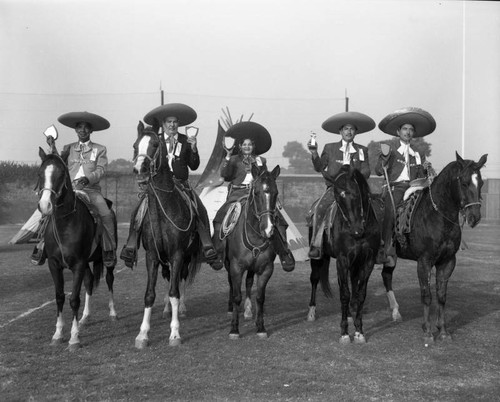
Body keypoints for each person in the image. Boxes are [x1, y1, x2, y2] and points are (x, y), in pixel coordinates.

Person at [120, 103, 217, 268]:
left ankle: (207, 246)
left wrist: (193, 149)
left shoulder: (185, 140)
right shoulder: (154, 140)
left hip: (181, 184)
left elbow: (194, 165)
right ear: (163, 124)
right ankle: (131, 245)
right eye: (168, 122)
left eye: (175, 122)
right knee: (139, 209)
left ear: (178, 124)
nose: (172, 125)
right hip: (159, 185)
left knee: (199, 208)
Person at [30, 111, 117, 267]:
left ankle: (108, 249)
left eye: (86, 128)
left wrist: (89, 178)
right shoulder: (68, 148)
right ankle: (41, 246)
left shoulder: (100, 149)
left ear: (91, 131)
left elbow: (101, 169)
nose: (82, 130)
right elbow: (58, 162)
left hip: (91, 190)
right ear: (76, 130)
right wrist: (52, 145)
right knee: (45, 211)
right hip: (69, 191)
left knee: (106, 214)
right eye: (79, 127)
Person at [211, 121, 295, 272]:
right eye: (244, 145)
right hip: (238, 194)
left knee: (279, 219)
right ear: (240, 146)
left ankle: (284, 252)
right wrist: (228, 157)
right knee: (220, 217)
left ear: (253, 146)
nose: (247, 147)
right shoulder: (234, 159)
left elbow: (267, 180)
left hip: (258, 195)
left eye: (249, 145)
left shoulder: (261, 160)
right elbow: (225, 175)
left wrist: (276, 199)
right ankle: (218, 252)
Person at [307, 111, 375, 259]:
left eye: (352, 129)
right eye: (346, 129)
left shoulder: (362, 150)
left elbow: (366, 171)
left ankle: (378, 245)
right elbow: (319, 167)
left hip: (356, 191)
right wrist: (314, 153)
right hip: (334, 189)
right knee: (319, 208)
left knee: (375, 209)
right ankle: (316, 245)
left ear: (356, 132)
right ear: (340, 131)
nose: (349, 132)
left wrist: (354, 177)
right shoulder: (329, 148)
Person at [375, 107, 436, 266]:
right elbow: (378, 171)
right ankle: (384, 248)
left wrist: (427, 169)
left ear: (413, 133)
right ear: (398, 131)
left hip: (415, 187)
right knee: (391, 210)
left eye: (411, 130)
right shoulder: (390, 148)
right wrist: (384, 159)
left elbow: (422, 176)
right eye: (405, 129)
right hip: (395, 187)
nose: (408, 132)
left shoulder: (418, 153)